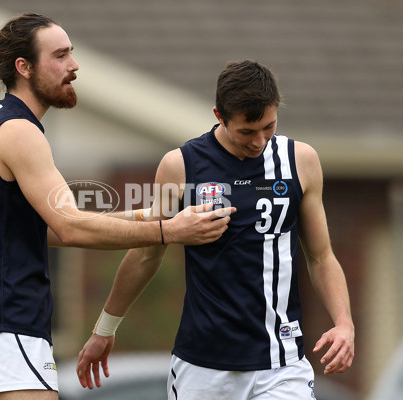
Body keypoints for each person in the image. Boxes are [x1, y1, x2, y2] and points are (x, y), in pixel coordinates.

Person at [0, 13, 234, 400]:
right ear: (24, 68)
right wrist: (170, 231)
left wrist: (144, 216)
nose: (74, 65)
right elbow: (71, 227)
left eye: (72, 54)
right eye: (61, 56)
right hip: (6, 322)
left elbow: (42, 227)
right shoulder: (20, 132)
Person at [76, 60, 355, 399]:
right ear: (219, 116)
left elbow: (321, 257)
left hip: (281, 365)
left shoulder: (301, 161)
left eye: (268, 127)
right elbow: (146, 254)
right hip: (203, 366)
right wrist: (105, 330)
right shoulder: (180, 166)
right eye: (246, 132)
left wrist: (344, 323)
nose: (259, 141)